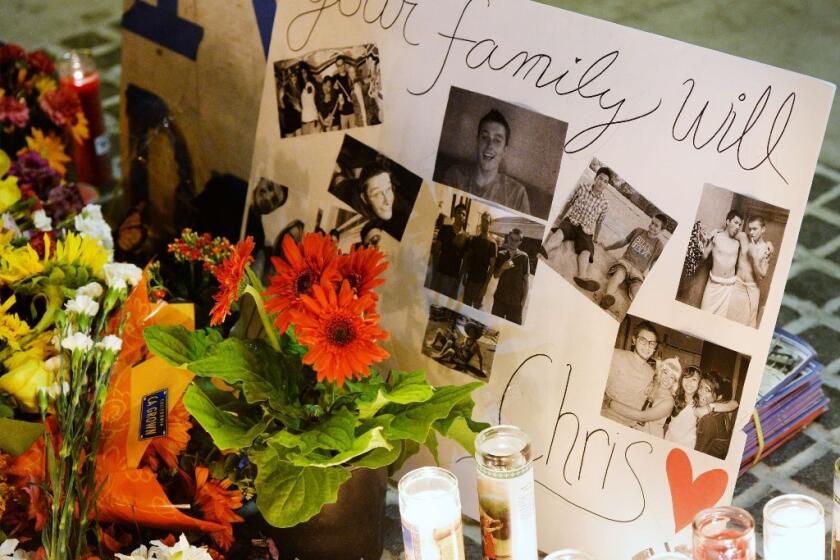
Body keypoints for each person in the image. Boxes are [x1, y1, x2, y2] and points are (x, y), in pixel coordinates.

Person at [442, 109, 530, 214]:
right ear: (477, 141)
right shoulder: (454, 176)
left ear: (505, 150)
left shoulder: (517, 194)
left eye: (497, 140)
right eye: (485, 138)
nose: (490, 145)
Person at [546, 167, 611, 293]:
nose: (601, 183)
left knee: (586, 249)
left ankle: (581, 276)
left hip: (586, 230)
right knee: (560, 233)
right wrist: (560, 217)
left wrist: (596, 238)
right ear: (595, 178)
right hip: (572, 221)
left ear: (607, 185)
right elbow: (570, 203)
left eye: (605, 181)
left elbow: (599, 222)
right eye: (600, 178)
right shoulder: (583, 187)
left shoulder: (605, 203)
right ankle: (545, 248)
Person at [600, 214, 667, 310]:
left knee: (636, 290)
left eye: (656, 226)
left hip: (638, 272)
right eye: (652, 223)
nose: (652, 226)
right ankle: (608, 296)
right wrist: (607, 248)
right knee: (618, 276)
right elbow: (622, 242)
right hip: (625, 263)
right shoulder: (638, 231)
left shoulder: (659, 246)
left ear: (662, 230)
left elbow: (653, 265)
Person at [605, 357, 681, 438]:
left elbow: (642, 416)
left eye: (672, 377)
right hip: (635, 432)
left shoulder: (669, 402)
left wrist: (611, 403)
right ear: (660, 372)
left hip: (650, 438)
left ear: (674, 382)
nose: (667, 379)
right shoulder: (654, 386)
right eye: (665, 373)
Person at [601, 321, 659, 427]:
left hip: (630, 427)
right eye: (643, 341)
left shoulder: (652, 373)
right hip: (606, 419)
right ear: (634, 340)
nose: (647, 346)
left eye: (652, 343)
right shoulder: (615, 356)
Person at [728, 215, 774, 327]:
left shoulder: (766, 249)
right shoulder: (743, 237)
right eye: (750, 229)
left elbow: (762, 275)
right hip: (737, 286)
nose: (751, 232)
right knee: (728, 319)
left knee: (744, 325)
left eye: (755, 229)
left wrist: (755, 257)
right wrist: (716, 231)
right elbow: (729, 232)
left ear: (763, 229)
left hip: (751, 290)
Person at [699, 210, 743, 316]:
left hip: (728, 288)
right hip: (713, 286)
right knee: (703, 315)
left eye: (740, 224)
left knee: (720, 321)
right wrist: (706, 242)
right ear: (728, 221)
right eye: (736, 222)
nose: (738, 227)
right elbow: (704, 256)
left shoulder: (738, 243)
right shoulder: (716, 237)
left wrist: (769, 245)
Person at [695, 370, 736, 459]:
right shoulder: (720, 413)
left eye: (708, 390)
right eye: (701, 387)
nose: (701, 392)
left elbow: (697, 454)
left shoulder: (708, 419)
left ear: (718, 397)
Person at [491, 229, 530, 324]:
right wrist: (503, 267)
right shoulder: (501, 255)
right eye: (511, 239)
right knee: (493, 325)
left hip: (515, 304)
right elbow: (495, 275)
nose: (513, 242)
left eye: (516, 240)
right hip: (499, 299)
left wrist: (522, 304)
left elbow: (526, 282)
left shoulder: (524, 257)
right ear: (508, 238)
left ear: (520, 242)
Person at [430, 204, 469, 299]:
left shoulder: (466, 237)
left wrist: (459, 280)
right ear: (454, 214)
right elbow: (436, 251)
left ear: (465, 218)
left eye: (464, 214)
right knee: (431, 299)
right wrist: (434, 271)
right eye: (459, 212)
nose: (461, 216)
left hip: (453, 277)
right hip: (439, 273)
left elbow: (465, 261)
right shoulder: (445, 229)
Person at [461, 211, 497, 309]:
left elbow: (492, 267)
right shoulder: (474, 240)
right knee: (464, 307)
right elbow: (467, 258)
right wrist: (464, 274)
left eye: (486, 221)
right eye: (483, 220)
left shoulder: (492, 244)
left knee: (476, 309)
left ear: (490, 224)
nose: (484, 223)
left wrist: (485, 286)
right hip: (470, 280)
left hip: (480, 283)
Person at [333, 58, 356, 130]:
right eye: (338, 65)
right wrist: (334, 90)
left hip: (353, 110)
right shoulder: (335, 78)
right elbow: (333, 96)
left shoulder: (349, 75)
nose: (341, 67)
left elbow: (355, 90)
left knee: (355, 133)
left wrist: (352, 98)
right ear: (337, 66)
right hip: (342, 113)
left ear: (344, 64)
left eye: (342, 64)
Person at [299, 66, 319, 135]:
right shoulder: (301, 87)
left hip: (312, 117)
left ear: (307, 73)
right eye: (301, 73)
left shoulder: (310, 84)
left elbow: (310, 96)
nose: (303, 74)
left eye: (305, 72)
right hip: (304, 119)